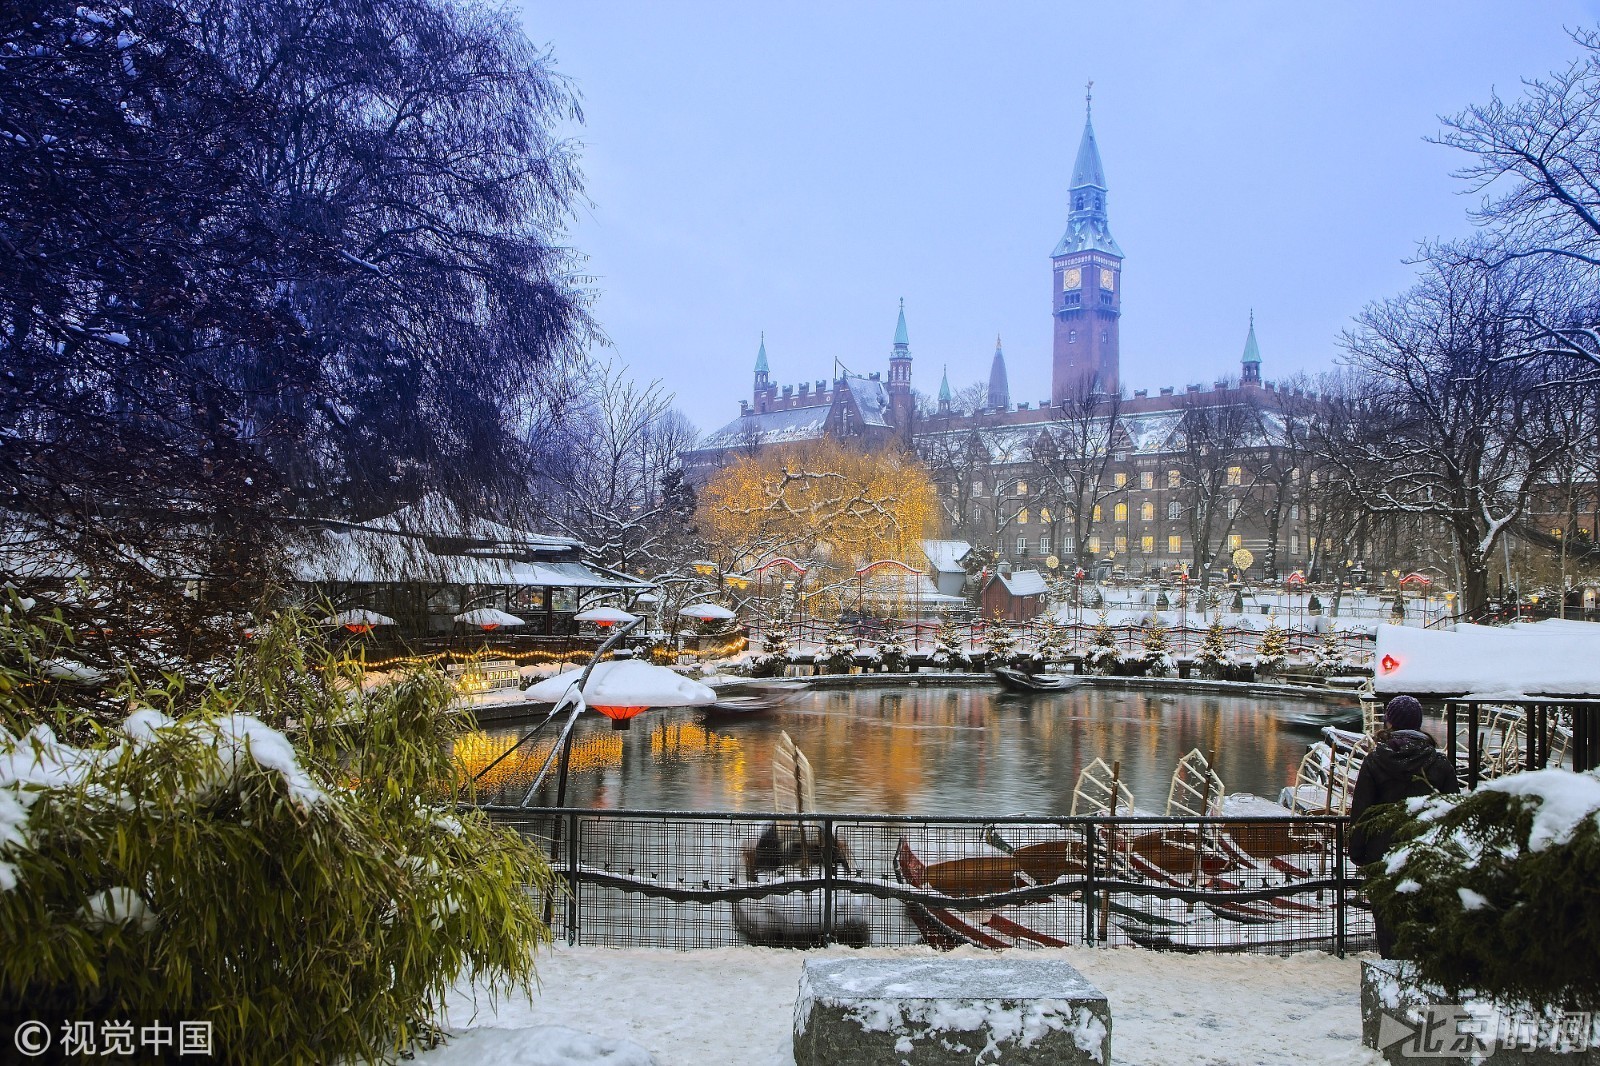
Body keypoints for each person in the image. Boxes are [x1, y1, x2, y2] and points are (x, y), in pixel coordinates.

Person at [1349, 694, 1460, 958]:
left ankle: (1392, 974)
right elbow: (1453, 811)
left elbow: (1361, 811)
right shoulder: (1439, 763)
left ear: (1389, 722)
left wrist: (1357, 852)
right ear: (1419, 724)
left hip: (1383, 856)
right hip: (1426, 855)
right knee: (1423, 917)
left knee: (1388, 922)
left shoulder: (1375, 761)